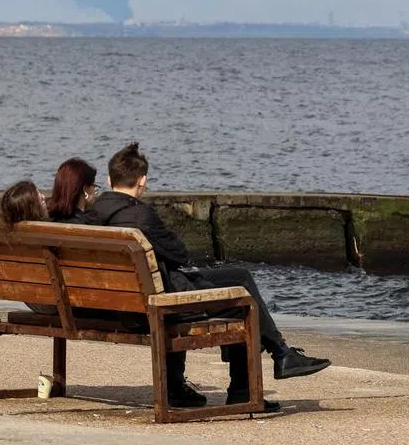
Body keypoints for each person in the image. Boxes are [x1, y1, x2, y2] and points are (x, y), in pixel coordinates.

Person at [89, 142, 331, 412]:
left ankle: (277, 355)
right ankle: (256, 377)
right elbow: (180, 255)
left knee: (237, 280)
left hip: (118, 305)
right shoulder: (141, 216)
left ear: (109, 180)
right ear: (143, 180)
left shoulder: (92, 215)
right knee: (242, 293)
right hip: (157, 304)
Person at [48, 157, 98, 224]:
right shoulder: (88, 224)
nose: (95, 190)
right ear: (85, 189)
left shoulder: (50, 218)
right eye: (93, 185)